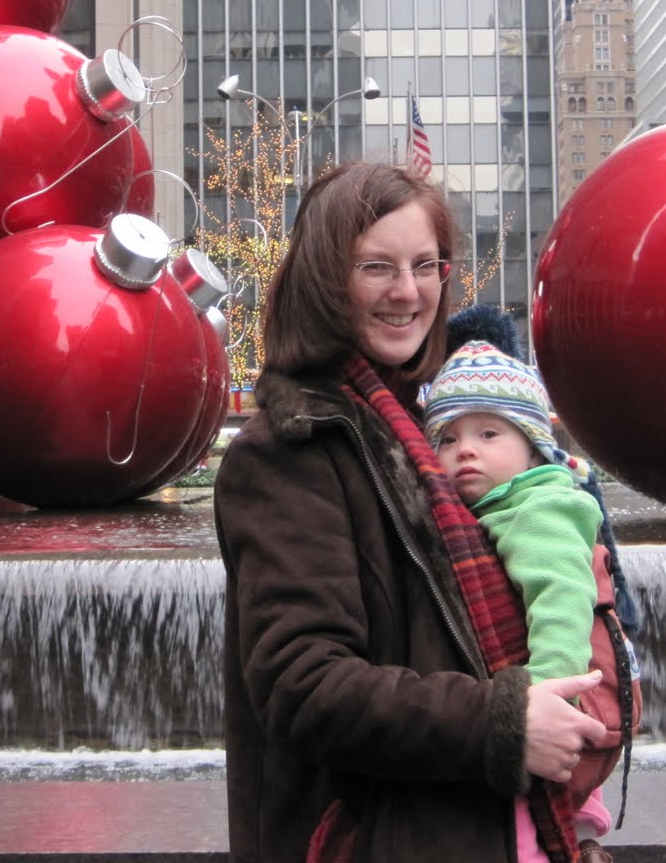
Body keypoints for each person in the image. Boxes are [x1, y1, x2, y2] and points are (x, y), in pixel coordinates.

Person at [215, 162, 612, 863]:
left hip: (478, 829)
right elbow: (302, 684)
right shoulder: (288, 453)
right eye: (377, 267)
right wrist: (503, 723)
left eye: (425, 265)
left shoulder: (437, 429)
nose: (407, 291)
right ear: (324, 280)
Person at [424, 338, 616, 856]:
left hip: (552, 713)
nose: (466, 449)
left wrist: (548, 697)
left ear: (532, 447)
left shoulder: (538, 511)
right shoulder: (496, 507)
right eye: (447, 437)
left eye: (489, 433)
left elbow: (562, 601)